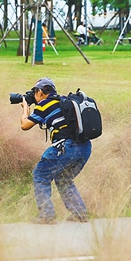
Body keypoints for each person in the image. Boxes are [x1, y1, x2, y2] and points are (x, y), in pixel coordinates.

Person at [19, 77, 91, 224]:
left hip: (66, 148)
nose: (34, 95)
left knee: (40, 175)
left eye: (34, 92)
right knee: (63, 179)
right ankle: (80, 214)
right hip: (85, 147)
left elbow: (25, 125)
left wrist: (25, 108)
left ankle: (47, 215)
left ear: (40, 91)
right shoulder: (63, 101)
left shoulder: (45, 104)